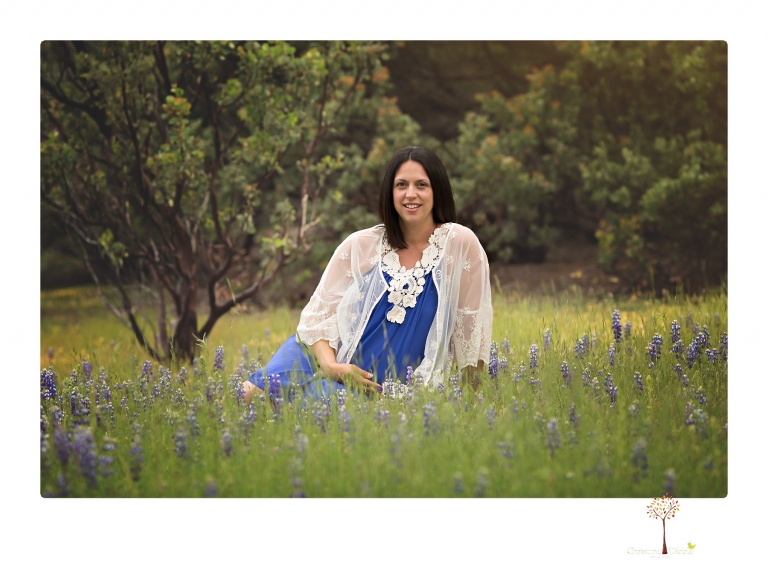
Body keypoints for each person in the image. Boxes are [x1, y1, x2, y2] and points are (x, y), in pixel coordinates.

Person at [242, 146, 493, 402]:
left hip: (367, 388)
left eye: (421, 185)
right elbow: (318, 318)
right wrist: (331, 367)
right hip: (321, 357)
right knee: (248, 397)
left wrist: (470, 409)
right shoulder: (361, 245)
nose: (410, 194)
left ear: (437, 190)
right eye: (401, 185)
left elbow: (471, 339)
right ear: (390, 192)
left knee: (304, 415)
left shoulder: (460, 244)